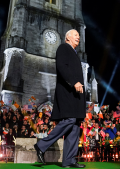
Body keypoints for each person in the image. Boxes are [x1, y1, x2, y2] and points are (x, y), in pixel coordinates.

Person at [34, 29, 86, 168]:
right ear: (67, 37)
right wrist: (73, 82)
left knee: (75, 127)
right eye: (75, 35)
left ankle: (69, 160)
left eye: (79, 36)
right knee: (70, 120)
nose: (78, 37)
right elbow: (61, 66)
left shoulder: (74, 53)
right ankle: (41, 145)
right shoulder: (63, 48)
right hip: (67, 91)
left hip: (76, 94)